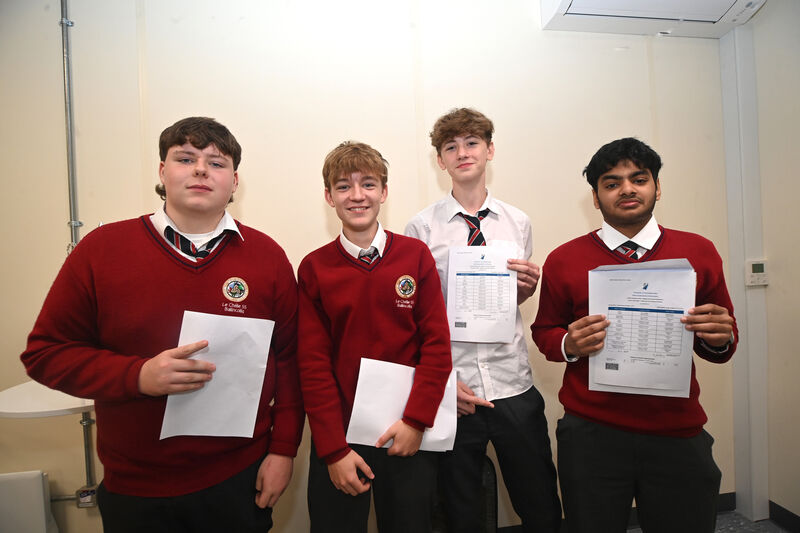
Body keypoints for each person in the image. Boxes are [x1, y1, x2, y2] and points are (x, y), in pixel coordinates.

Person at [21, 117, 304, 532]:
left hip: (239, 477)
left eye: (216, 162)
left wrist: (283, 451)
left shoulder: (267, 257)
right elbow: (45, 354)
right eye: (185, 158)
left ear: (235, 180)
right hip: (137, 488)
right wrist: (138, 376)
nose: (201, 170)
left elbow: (290, 361)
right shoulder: (101, 251)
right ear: (162, 171)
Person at [531, 137, 738, 533]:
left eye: (638, 179)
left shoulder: (699, 251)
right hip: (592, 433)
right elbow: (545, 332)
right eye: (611, 183)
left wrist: (718, 336)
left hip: (676, 429)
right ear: (595, 198)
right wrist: (568, 344)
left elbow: (723, 339)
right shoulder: (564, 258)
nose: (626, 189)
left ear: (657, 187)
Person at [405, 108, 562, 532]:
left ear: (490, 150)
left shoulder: (518, 221)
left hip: (514, 383)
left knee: (540, 502)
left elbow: (514, 299)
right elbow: (420, 313)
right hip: (455, 388)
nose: (462, 153)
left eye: (472, 142)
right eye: (450, 147)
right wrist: (438, 382)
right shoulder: (421, 228)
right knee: (461, 511)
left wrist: (524, 291)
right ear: (440, 160)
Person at [297, 141, 452, 533]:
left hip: (406, 433)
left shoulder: (415, 256)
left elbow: (436, 347)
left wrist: (416, 421)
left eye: (367, 184)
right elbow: (312, 364)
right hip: (340, 437)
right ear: (329, 197)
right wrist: (333, 449)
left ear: (383, 192)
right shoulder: (315, 268)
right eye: (344, 187)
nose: (357, 195)